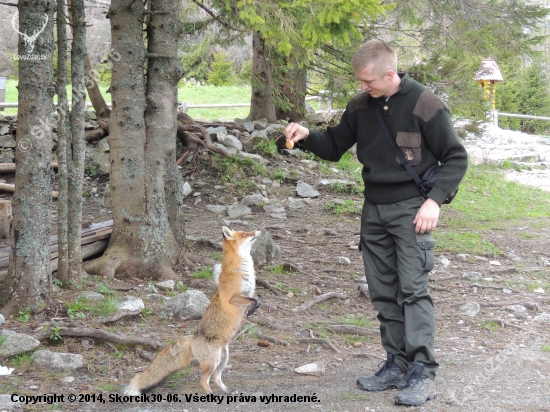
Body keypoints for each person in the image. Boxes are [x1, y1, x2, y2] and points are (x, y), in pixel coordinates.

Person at [284, 39, 468, 406]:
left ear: (389, 73)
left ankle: (421, 371)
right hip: (374, 210)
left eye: (368, 81)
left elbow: (456, 158)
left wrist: (434, 202)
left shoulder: (425, 104)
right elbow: (334, 146)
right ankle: (396, 364)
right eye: (360, 82)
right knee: (383, 291)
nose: (363, 87)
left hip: (412, 210)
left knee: (413, 290)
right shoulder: (359, 105)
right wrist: (306, 137)